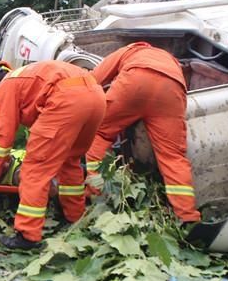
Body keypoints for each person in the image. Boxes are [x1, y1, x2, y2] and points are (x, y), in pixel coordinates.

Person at [0, 60, 106, 250]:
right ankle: (74, 217)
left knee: (34, 171)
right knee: (70, 161)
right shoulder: (26, 78)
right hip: (96, 97)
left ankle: (27, 236)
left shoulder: (5, 87)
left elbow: (3, 138)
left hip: (66, 100)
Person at [84, 42, 201, 224]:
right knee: (173, 158)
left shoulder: (130, 50)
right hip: (170, 88)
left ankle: (93, 198)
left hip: (135, 81)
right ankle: (188, 217)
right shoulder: (170, 60)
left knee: (98, 134)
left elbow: (92, 80)